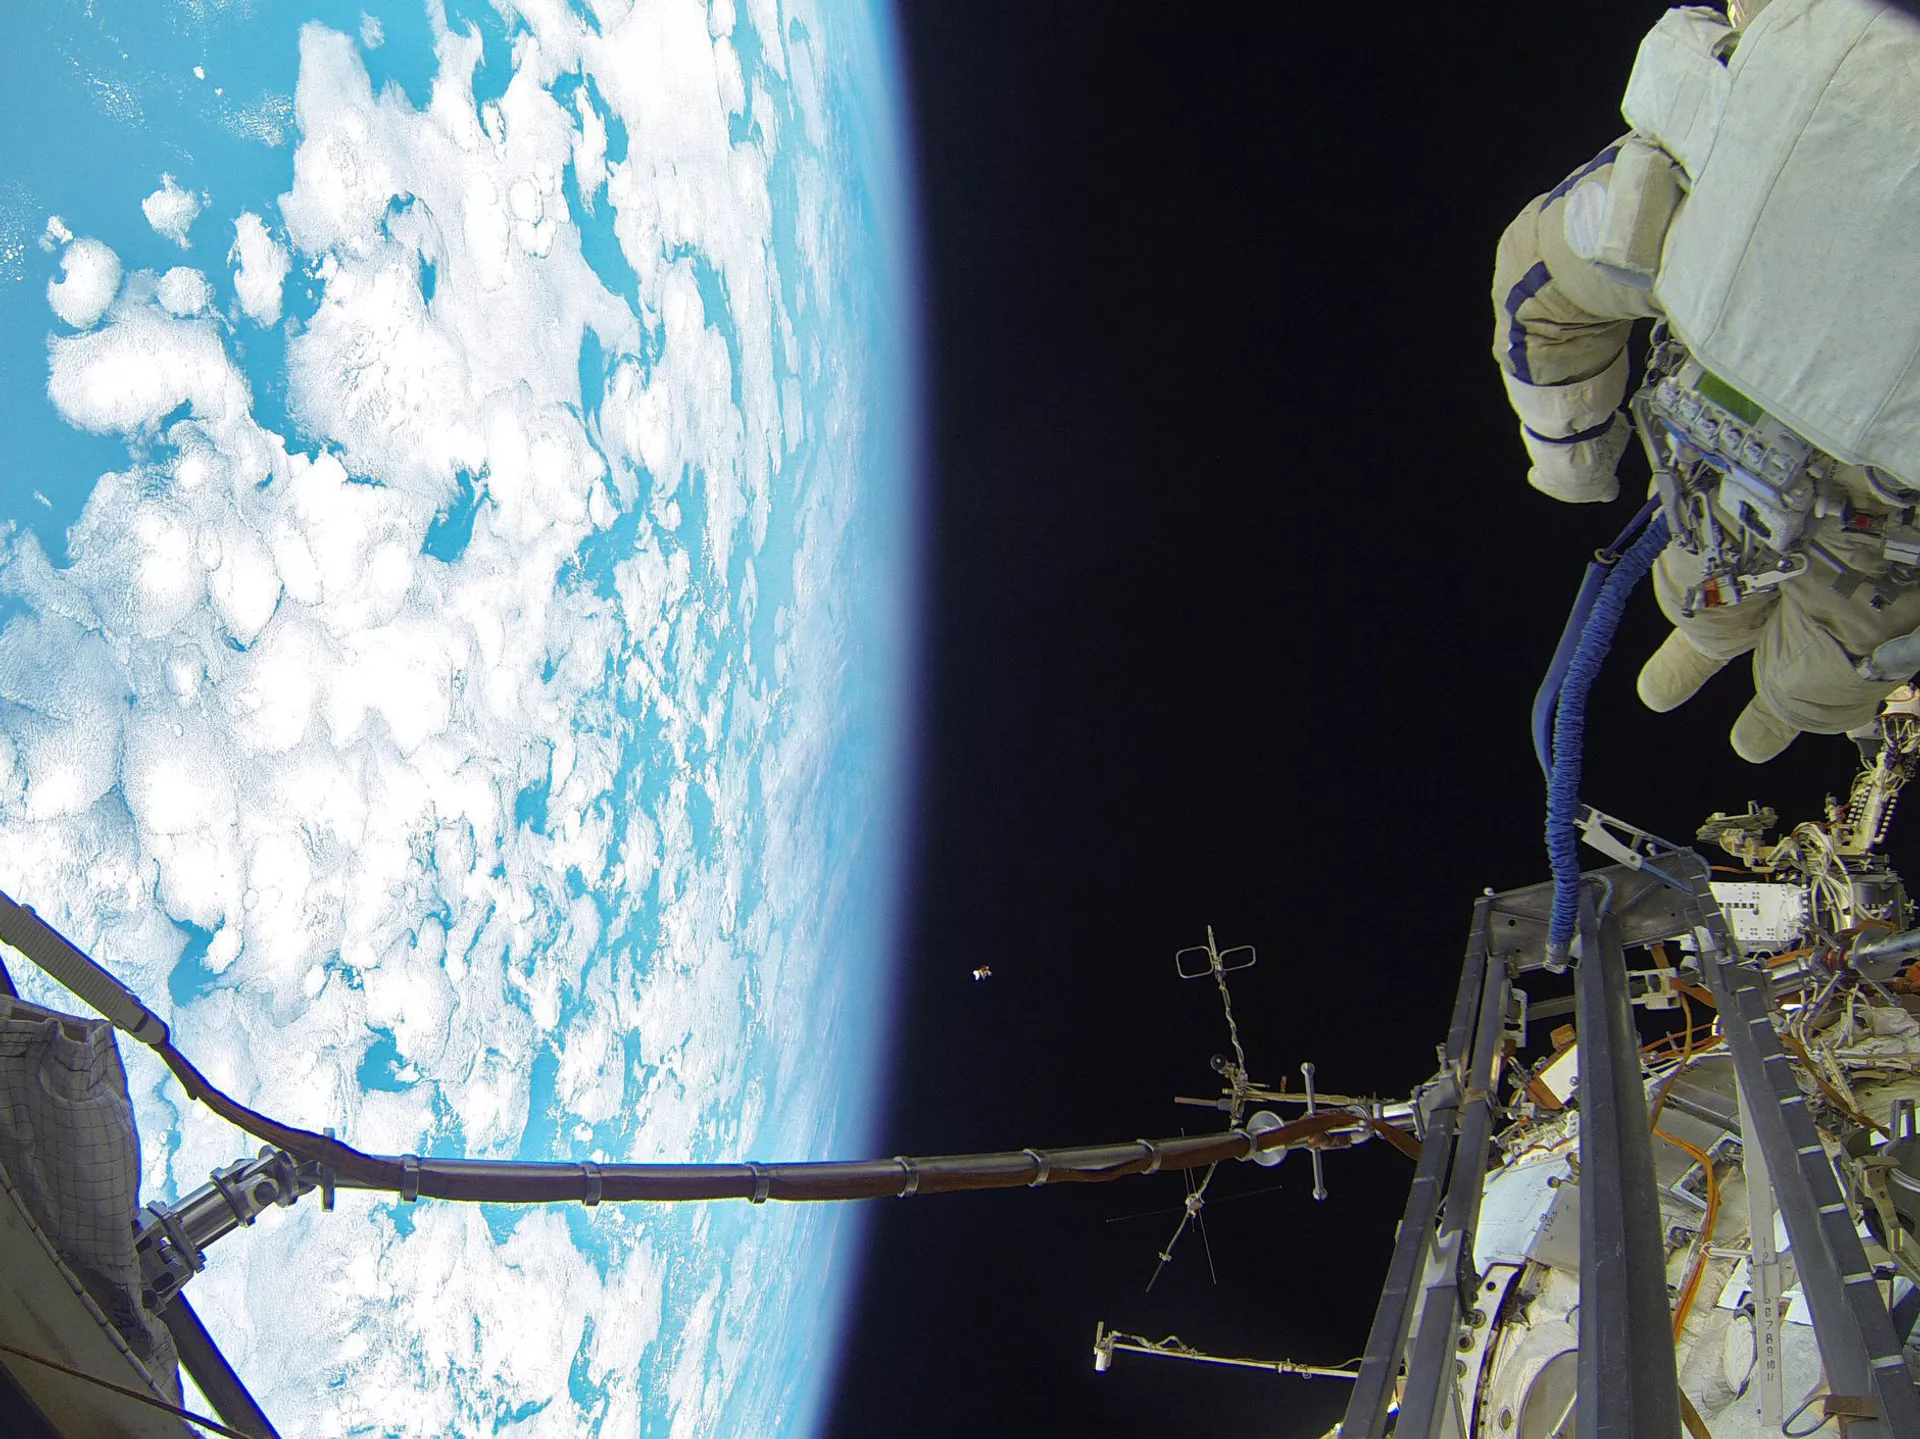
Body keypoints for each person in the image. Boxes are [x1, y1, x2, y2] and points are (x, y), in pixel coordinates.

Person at [1493, 0, 1920, 762]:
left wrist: (1572, 454)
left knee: (1720, 594)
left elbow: (1540, 284)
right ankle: (1766, 687)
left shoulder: (1754, 87)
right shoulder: (1761, 86)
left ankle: (1741, 669)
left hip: (1742, 477)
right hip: (1863, 533)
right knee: (1821, 664)